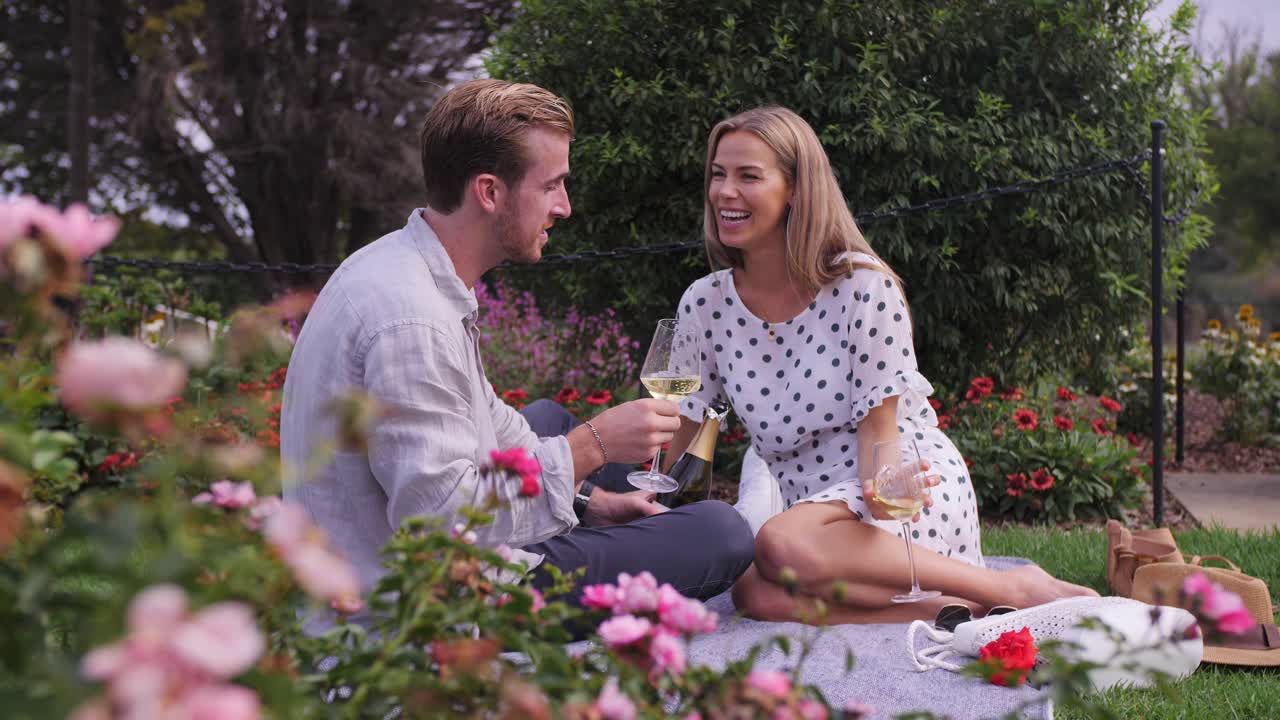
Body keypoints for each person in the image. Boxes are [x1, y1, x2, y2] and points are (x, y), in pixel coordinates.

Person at [280, 79, 753, 628]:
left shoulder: (406, 267)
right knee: (722, 532)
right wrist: (591, 447)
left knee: (544, 419)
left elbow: (492, 419)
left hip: (418, 554)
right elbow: (438, 521)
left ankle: (590, 511)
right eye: (552, 185)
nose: (565, 207)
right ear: (489, 191)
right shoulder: (411, 321)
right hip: (440, 595)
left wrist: (589, 504)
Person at [664, 106, 1097, 624]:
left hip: (898, 493)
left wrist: (887, 495)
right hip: (811, 527)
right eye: (718, 174)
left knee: (778, 542)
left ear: (796, 189)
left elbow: (879, 436)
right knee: (752, 593)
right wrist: (657, 510)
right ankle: (960, 609)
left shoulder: (863, 287)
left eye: (748, 176)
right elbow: (686, 430)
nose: (725, 192)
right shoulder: (704, 303)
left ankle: (1009, 586)